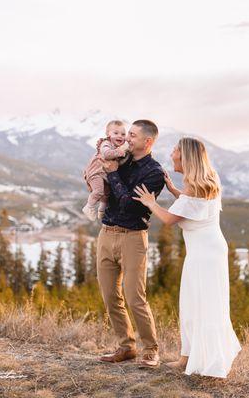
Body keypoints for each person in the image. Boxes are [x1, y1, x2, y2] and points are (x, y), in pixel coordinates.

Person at [133, 137, 242, 378]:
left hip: (203, 255)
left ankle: (194, 358)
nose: (171, 154)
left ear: (185, 157)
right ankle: (189, 356)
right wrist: (174, 191)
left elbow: (171, 219)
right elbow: (193, 206)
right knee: (202, 303)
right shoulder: (207, 180)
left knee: (197, 303)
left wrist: (151, 203)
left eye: (174, 151)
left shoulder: (194, 188)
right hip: (211, 250)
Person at [96, 119, 165, 368]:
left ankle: (151, 349)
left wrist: (112, 173)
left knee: (135, 297)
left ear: (147, 141)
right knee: (109, 295)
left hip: (133, 237)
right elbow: (104, 187)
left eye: (133, 136)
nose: (127, 139)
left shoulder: (154, 172)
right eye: (128, 134)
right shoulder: (121, 159)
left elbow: (129, 204)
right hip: (106, 233)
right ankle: (126, 346)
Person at [82, 120, 130, 221]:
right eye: (116, 133)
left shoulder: (117, 147)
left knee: (106, 193)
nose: (120, 136)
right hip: (96, 172)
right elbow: (107, 154)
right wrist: (120, 152)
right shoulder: (106, 143)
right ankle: (89, 207)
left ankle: (101, 211)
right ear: (108, 134)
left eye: (123, 134)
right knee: (98, 191)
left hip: (104, 174)